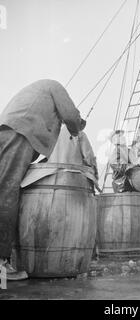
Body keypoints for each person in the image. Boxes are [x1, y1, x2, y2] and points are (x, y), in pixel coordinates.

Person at [0, 79, 86, 280]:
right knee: (7, 194)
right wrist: (77, 127)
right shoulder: (55, 86)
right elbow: (71, 116)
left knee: (3, 190)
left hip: (8, 131)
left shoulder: (36, 89)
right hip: (20, 133)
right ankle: (1, 265)